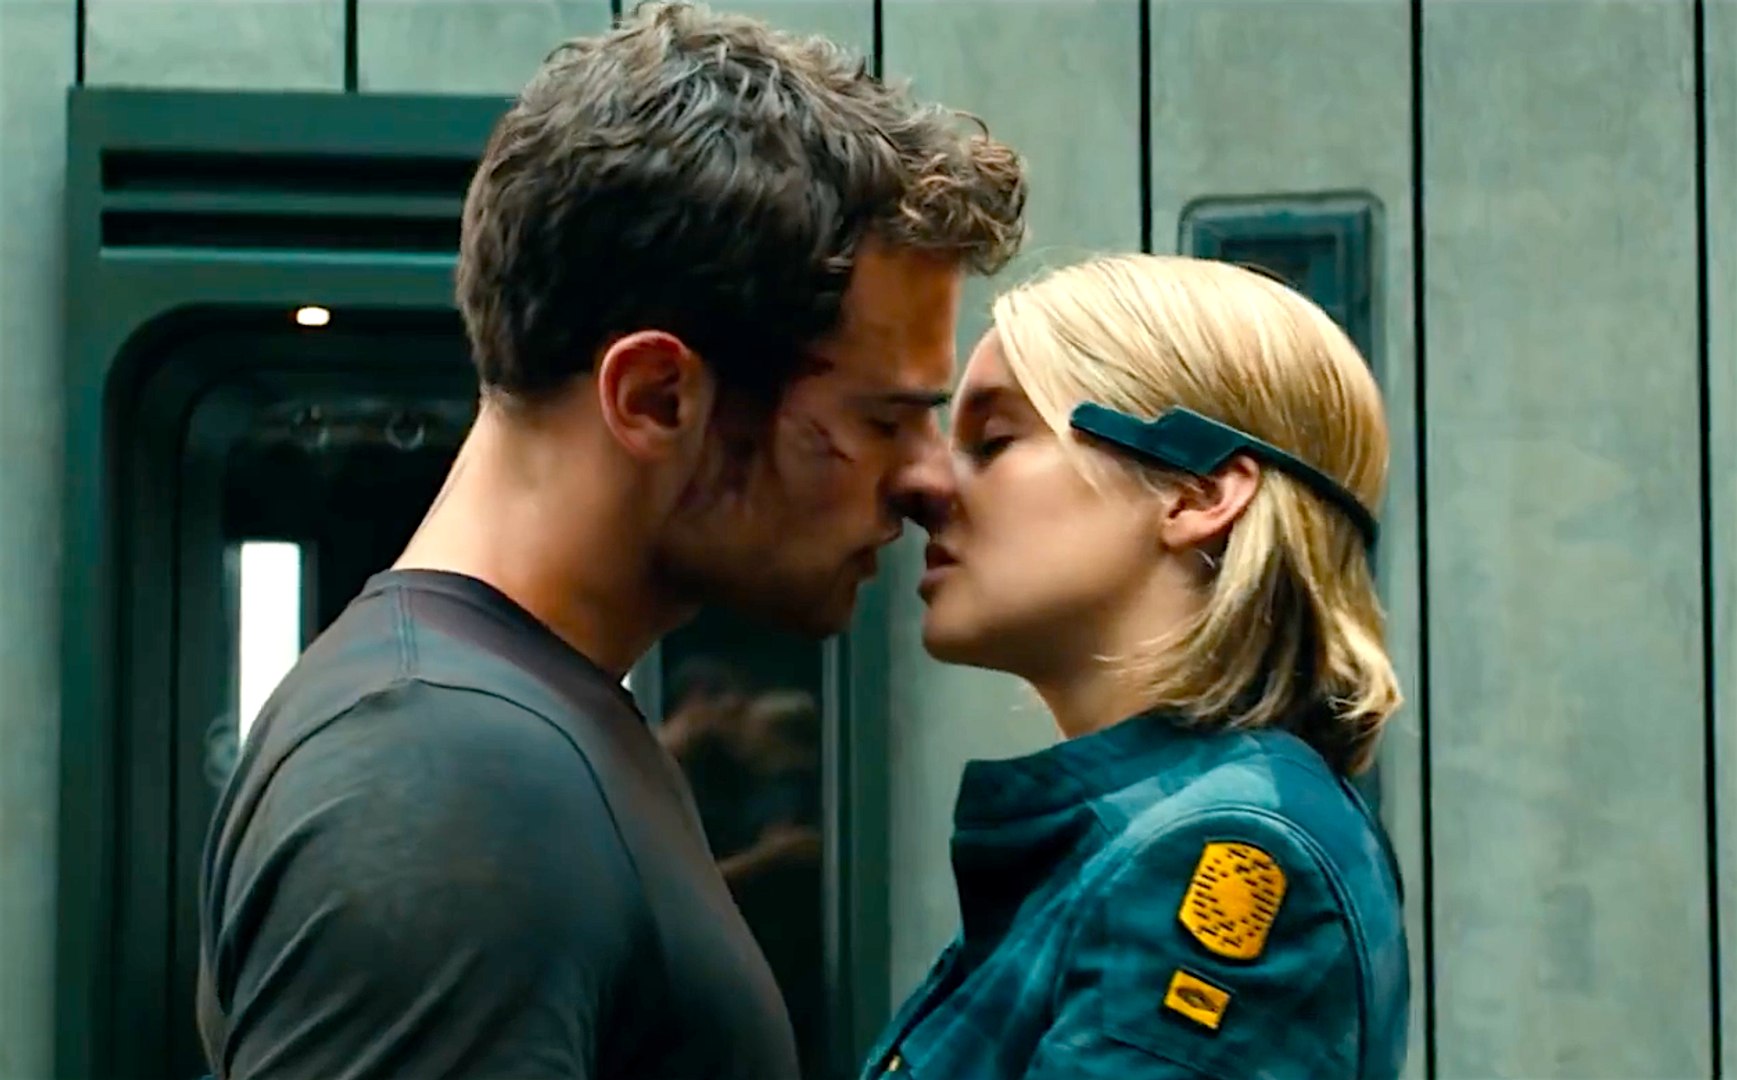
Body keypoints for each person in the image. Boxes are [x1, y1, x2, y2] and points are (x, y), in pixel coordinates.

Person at [194, 3, 1026, 1077]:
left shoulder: (512, 729)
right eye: (882, 419)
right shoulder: (446, 778)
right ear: (654, 397)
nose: (927, 480)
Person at [860, 254, 1409, 1079]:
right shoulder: (1121, 842)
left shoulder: (1223, 846)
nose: (924, 485)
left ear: (1195, 494)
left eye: (993, 440)